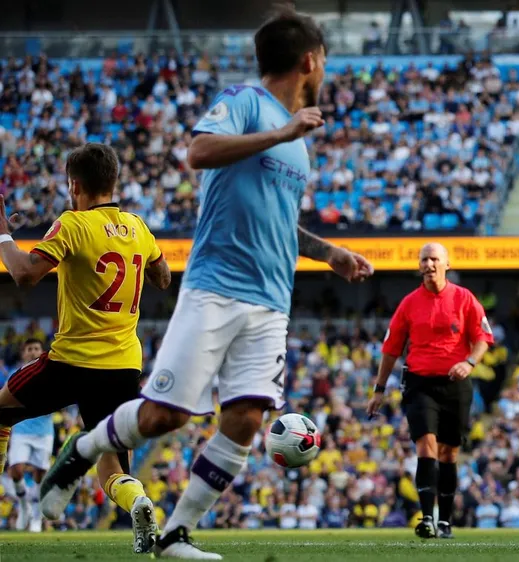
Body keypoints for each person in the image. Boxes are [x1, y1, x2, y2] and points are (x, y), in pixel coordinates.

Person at [39, 8, 373, 560]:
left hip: (271, 301)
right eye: (326, 60)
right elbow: (197, 152)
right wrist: (282, 130)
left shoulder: (299, 145)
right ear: (310, 60)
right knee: (164, 416)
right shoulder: (245, 102)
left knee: (245, 419)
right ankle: (85, 448)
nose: (326, 69)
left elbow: (279, 222)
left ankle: (175, 535)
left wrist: (327, 251)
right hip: (216, 285)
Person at [0, 143, 169, 553]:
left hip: (72, 360)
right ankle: (139, 501)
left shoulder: (73, 225)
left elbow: (23, 274)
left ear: (74, 184)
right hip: (124, 366)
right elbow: (163, 277)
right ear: (113, 181)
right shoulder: (137, 227)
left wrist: (3, 232)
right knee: (111, 466)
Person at [367, 242, 494, 539]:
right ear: (419, 265)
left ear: (447, 264)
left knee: (449, 453)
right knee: (426, 445)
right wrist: (378, 389)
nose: (429, 264)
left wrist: (470, 362)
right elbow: (390, 349)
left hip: (455, 384)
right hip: (419, 382)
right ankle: (426, 518)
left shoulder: (464, 299)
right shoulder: (409, 304)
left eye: (435, 259)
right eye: (424, 259)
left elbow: (483, 338)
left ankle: (445, 521)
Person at [2, 339, 52, 531]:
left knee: (40, 474)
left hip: (44, 433)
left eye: (36, 349)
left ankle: (37, 515)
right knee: (16, 469)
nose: (32, 352)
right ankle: (23, 505)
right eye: (29, 349)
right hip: (22, 430)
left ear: (42, 352)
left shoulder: (49, 375)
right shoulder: (15, 377)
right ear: (23, 353)